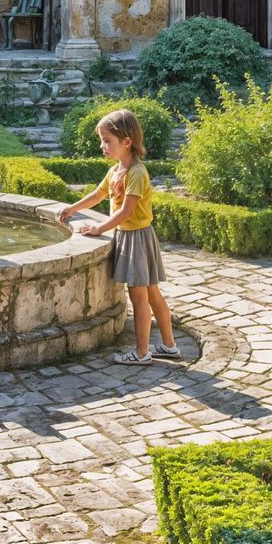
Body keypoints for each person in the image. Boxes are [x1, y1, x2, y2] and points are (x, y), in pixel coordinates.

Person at [58, 108, 182, 365]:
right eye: (102, 140)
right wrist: (72, 208)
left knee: (141, 298)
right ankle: (169, 346)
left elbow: (127, 211)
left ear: (127, 142)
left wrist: (99, 229)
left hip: (136, 237)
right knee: (152, 294)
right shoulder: (117, 170)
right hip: (135, 236)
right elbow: (98, 195)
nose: (103, 146)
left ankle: (141, 353)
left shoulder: (136, 173)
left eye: (107, 141)